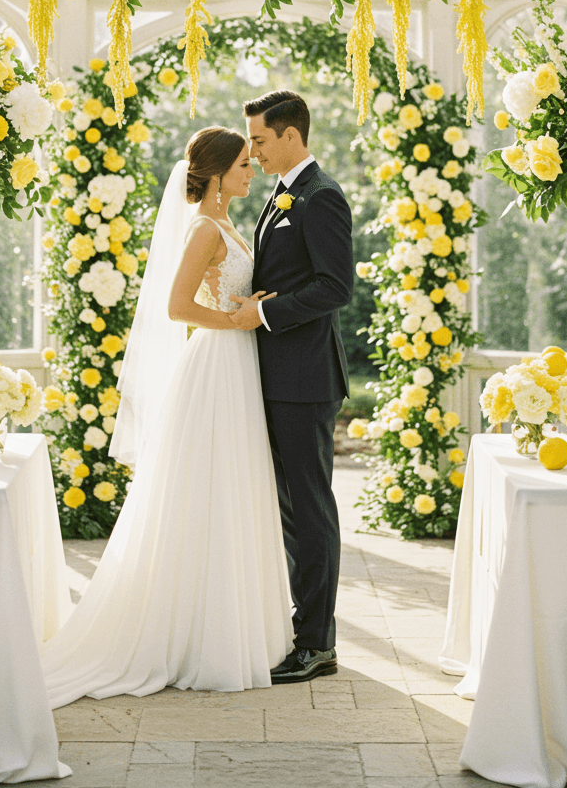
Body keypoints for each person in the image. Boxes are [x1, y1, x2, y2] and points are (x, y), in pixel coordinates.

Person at [40, 127, 293, 707]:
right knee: (204, 489)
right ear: (219, 172)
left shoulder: (228, 224)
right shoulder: (205, 228)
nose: (251, 172)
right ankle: (195, 636)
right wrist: (237, 321)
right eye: (243, 166)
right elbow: (177, 306)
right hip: (215, 363)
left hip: (237, 362)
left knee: (231, 489)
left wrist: (251, 309)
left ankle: (230, 626)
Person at [229, 90, 354, 685]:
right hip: (277, 374)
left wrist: (267, 314)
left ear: (290, 136)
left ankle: (318, 645)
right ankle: (302, 628)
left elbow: (335, 287)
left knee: (310, 511)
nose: (252, 151)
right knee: (289, 511)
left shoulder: (320, 196)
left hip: (305, 378)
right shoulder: (283, 195)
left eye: (258, 139)